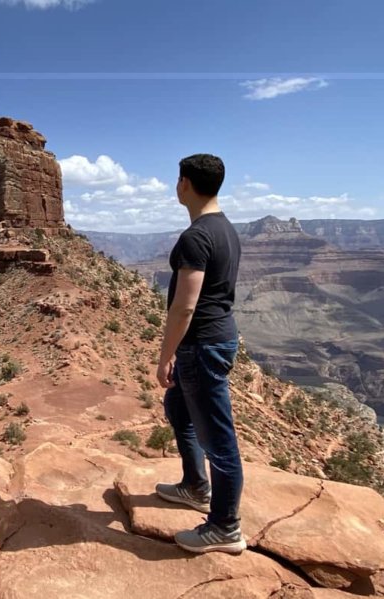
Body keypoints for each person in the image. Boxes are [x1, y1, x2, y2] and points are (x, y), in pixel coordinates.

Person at [154, 153, 245, 554]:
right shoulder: (225, 230)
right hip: (211, 340)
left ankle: (225, 526)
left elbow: (184, 306)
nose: (176, 186)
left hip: (202, 345)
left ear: (186, 183)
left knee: (218, 440)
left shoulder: (196, 236)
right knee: (178, 409)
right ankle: (194, 485)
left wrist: (165, 354)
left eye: (177, 180)